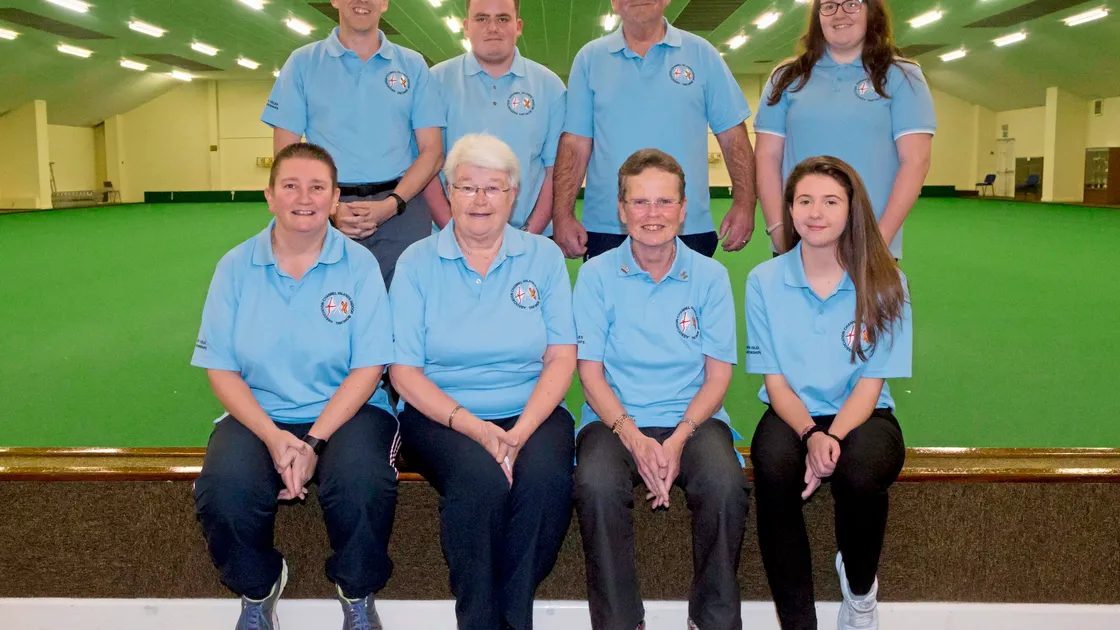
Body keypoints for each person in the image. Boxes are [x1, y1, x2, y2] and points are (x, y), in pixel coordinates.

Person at [191, 143, 398, 630]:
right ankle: (259, 587)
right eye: (290, 185)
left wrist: (312, 443)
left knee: (362, 484)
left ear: (334, 199)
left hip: (349, 411)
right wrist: (272, 436)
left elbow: (368, 368)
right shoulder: (235, 267)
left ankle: (356, 591)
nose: (303, 197)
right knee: (224, 491)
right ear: (269, 196)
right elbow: (221, 368)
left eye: (317, 187)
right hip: (260, 412)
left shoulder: (359, 266)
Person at [388, 133, 577, 630]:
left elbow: (561, 358)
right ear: (448, 191)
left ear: (514, 195)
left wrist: (517, 434)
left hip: (530, 409)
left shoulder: (544, 258)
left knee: (545, 482)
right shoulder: (416, 263)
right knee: (480, 483)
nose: (479, 200)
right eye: (467, 187)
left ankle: (511, 615)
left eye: (493, 188)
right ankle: (480, 619)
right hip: (442, 415)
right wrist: (476, 428)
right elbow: (403, 372)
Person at [572, 149, 749, 630]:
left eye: (665, 202)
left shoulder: (711, 277)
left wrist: (675, 440)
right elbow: (590, 375)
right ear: (622, 209)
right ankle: (621, 622)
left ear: (684, 208)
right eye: (641, 203)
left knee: (726, 485)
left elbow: (717, 376)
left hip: (693, 418)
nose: (653, 215)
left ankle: (711, 620)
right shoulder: (594, 276)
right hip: (613, 419)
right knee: (595, 485)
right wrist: (633, 437)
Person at [745, 156, 911, 630]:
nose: (815, 212)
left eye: (830, 201)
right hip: (791, 411)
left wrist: (829, 439)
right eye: (804, 201)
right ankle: (797, 621)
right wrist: (809, 435)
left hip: (863, 414)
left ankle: (860, 593)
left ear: (851, 209)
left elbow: (871, 382)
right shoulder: (763, 281)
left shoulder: (888, 282)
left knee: (858, 471)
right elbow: (775, 382)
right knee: (774, 465)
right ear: (790, 209)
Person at [552, 0, 758, 261]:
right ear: (614, 3)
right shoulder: (590, 59)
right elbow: (574, 144)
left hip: (687, 226)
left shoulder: (702, 54)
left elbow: (732, 136)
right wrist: (562, 214)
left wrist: (745, 202)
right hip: (608, 228)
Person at [263, 0, 445, 286]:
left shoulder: (413, 65)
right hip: (326, 212)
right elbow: (286, 158)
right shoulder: (302, 63)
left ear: (384, 3)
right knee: (330, 313)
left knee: (405, 315)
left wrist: (391, 204)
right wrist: (332, 209)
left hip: (403, 210)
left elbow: (432, 152)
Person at [754, 0, 935, 259]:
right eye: (829, 6)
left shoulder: (903, 76)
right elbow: (766, 158)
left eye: (851, 4)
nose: (839, 14)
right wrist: (778, 231)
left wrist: (879, 243)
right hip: (798, 242)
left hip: (870, 244)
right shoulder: (785, 77)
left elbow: (916, 162)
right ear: (818, 16)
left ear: (871, 11)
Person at [423, 0, 566, 235]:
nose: (492, 27)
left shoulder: (550, 88)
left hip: (529, 235)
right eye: (481, 19)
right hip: (449, 236)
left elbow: (555, 172)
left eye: (502, 18)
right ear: (466, 26)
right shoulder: (434, 82)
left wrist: (528, 236)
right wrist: (454, 232)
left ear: (518, 26)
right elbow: (427, 166)